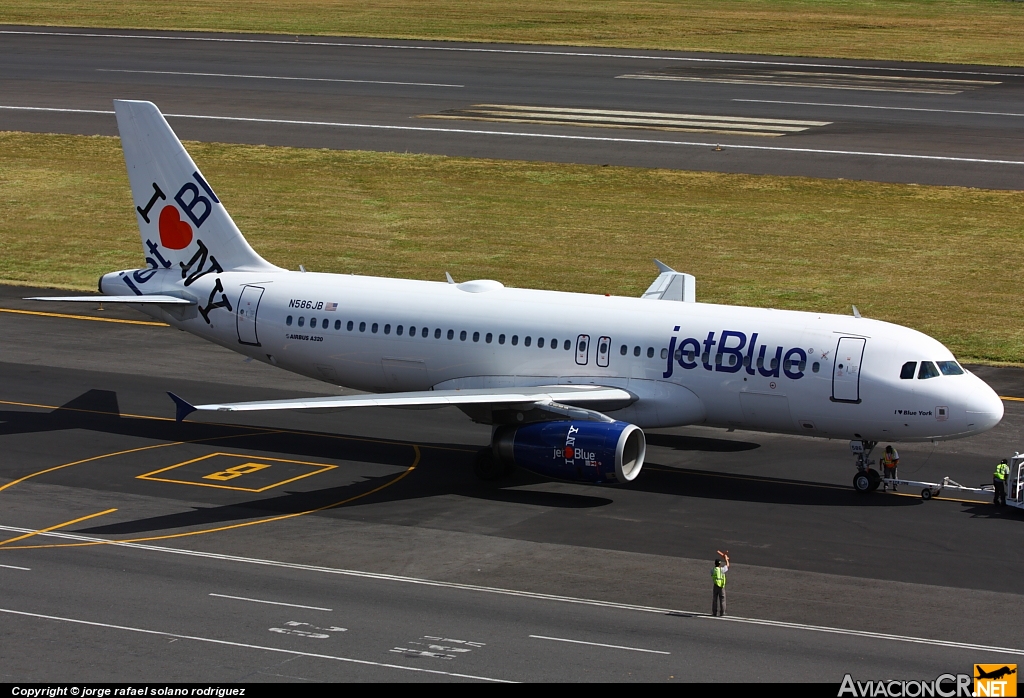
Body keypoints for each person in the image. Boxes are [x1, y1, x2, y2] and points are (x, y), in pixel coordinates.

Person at [712, 550, 729, 617]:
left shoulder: (713, 570)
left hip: (715, 585)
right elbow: (727, 565)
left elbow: (711, 574)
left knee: (715, 599)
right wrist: (726, 559)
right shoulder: (722, 569)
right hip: (722, 586)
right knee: (722, 600)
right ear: (720, 564)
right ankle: (722, 612)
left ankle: (714, 612)